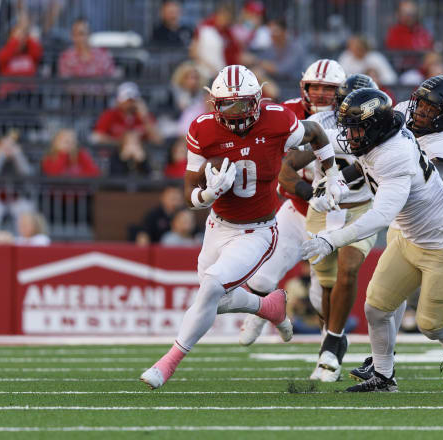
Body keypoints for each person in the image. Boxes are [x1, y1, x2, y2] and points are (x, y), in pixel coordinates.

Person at [140, 65, 348, 390]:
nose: (236, 113)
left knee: (210, 288)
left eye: (243, 104)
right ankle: (268, 306)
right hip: (217, 225)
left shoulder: (278, 120)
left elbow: (317, 135)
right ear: (213, 102)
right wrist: (208, 194)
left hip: (258, 230)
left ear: (258, 99)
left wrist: (331, 174)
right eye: (228, 104)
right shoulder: (202, 129)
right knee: (213, 299)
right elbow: (189, 192)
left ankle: (167, 364)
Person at [302, 87, 443, 392]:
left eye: (431, 109)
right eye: (422, 106)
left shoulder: (412, 151)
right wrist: (331, 179)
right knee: (376, 307)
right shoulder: (390, 123)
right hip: (409, 233)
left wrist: (331, 240)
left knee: (432, 324)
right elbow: (349, 152)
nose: (421, 112)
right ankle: (384, 375)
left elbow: (381, 212)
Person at [247, 73, 378, 383]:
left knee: (348, 269)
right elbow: (287, 166)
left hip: (362, 208)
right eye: (348, 106)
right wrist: (312, 192)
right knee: (324, 291)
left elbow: (368, 167)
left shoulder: (388, 129)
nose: (354, 114)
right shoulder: (327, 125)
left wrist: (341, 180)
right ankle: (332, 341)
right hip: (322, 210)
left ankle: (331, 345)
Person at [237, 60, 347, 353]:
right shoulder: (287, 113)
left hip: (334, 215)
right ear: (304, 87)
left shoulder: (349, 118)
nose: (322, 93)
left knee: (319, 294)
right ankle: (258, 315)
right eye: (316, 87)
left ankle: (330, 347)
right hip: (297, 206)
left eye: (329, 88)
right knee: (261, 276)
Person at [92, 82, 163, 146]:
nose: (130, 103)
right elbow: (97, 137)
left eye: (133, 100)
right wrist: (125, 143)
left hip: (140, 157)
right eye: (127, 100)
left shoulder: (145, 116)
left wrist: (145, 117)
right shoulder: (110, 115)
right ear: (118, 101)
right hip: (113, 156)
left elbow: (158, 140)